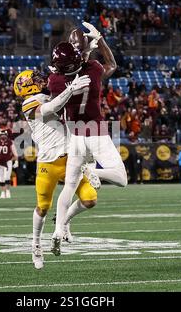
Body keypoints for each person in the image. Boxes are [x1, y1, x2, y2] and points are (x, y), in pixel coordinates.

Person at [48, 22, 127, 256]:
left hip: (75, 136)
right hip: (97, 131)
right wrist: (99, 39)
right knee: (121, 178)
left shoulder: (55, 81)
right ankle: (92, 173)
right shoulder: (92, 68)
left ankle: (58, 229)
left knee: (69, 188)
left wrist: (82, 51)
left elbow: (60, 82)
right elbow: (111, 63)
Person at [14, 69, 97, 269]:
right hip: (48, 163)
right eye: (35, 80)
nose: (40, 80)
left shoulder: (48, 94)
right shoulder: (29, 103)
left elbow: (67, 101)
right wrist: (70, 90)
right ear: (26, 86)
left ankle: (64, 220)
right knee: (42, 207)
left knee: (90, 200)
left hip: (70, 159)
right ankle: (35, 244)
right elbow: (51, 108)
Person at [0, 129, 19, 199]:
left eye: (4, 135)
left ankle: (8, 191)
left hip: (7, 162)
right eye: (2, 135)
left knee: (7, 177)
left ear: (6, 135)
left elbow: (15, 153)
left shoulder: (10, 142)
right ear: (0, 135)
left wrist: (16, 161)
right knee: (1, 178)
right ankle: (3, 193)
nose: (3, 136)